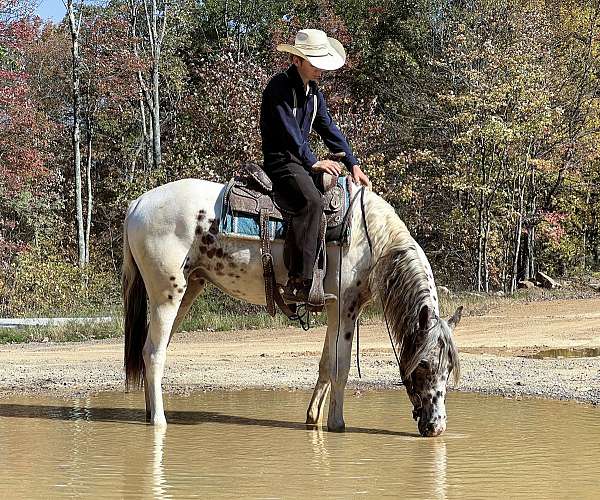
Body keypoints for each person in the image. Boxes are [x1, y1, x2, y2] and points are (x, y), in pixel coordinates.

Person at [260, 28, 370, 303]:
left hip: (300, 161)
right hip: (281, 162)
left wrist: (353, 163)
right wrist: (314, 162)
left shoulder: (314, 93)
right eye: (314, 61)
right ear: (297, 60)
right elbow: (290, 134)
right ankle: (299, 281)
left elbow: (328, 128)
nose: (320, 68)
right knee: (312, 202)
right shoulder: (279, 88)